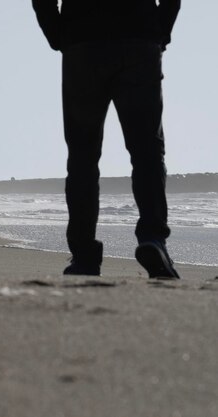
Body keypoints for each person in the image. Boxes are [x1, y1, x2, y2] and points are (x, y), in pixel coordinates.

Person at [32, 0, 181, 278]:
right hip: (138, 40)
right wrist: (160, 30)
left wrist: (58, 34)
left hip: (84, 44)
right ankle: (152, 237)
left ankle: (84, 256)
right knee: (147, 151)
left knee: (82, 157)